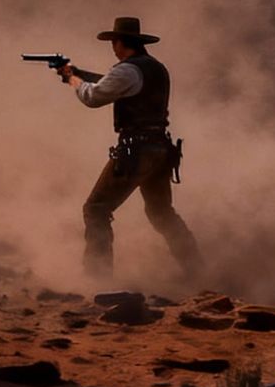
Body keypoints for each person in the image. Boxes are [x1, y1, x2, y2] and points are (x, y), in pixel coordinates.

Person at [59, 15, 201, 278]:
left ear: (121, 42)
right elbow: (114, 84)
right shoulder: (154, 68)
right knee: (161, 213)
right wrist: (77, 73)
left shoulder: (126, 70)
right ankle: (197, 270)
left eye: (114, 41)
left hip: (136, 151)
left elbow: (94, 96)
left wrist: (72, 79)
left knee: (96, 209)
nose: (113, 46)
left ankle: (97, 279)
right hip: (160, 149)